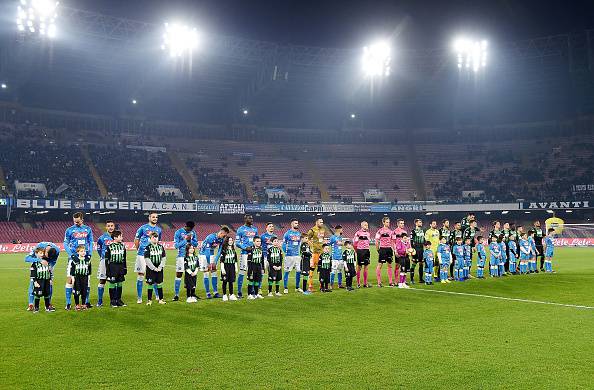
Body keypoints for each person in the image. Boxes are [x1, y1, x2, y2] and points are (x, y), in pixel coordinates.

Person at [64, 212, 94, 309]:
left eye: (78, 221)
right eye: (74, 221)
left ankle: (86, 302)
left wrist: (89, 255)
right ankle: (68, 303)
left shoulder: (88, 229)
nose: (76, 223)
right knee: (70, 280)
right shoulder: (69, 230)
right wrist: (72, 256)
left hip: (84, 257)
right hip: (73, 258)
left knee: (87, 280)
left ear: (82, 220)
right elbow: (65, 244)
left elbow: (90, 242)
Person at [133, 212, 162, 304]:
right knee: (141, 274)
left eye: (156, 217)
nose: (155, 218)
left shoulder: (159, 229)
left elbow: (158, 241)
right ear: (149, 218)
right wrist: (139, 250)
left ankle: (157, 295)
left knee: (154, 274)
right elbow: (136, 240)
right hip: (142, 254)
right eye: (153, 217)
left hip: (153, 255)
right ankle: (139, 297)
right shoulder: (142, 228)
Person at [25, 242, 59, 311]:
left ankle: (48, 304)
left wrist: (49, 268)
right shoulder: (39, 246)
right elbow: (27, 258)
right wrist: (40, 260)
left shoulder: (57, 250)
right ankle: (31, 304)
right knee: (33, 283)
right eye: (46, 255)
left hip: (47, 266)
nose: (47, 257)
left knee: (49, 284)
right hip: (37, 265)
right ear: (45, 251)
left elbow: (53, 262)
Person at [199, 226, 229, 299]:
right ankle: (208, 293)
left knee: (214, 272)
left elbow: (219, 251)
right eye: (224, 235)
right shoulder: (211, 237)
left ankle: (215, 292)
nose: (225, 237)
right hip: (203, 255)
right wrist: (209, 263)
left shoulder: (221, 239)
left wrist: (215, 262)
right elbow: (207, 251)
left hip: (211, 254)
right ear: (221, 232)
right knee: (206, 273)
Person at [173, 221, 198, 302]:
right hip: (181, 256)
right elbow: (176, 245)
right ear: (186, 226)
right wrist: (185, 240)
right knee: (179, 274)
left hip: (191, 257)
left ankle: (192, 294)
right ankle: (176, 295)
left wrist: (190, 240)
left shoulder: (193, 232)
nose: (190, 230)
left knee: (192, 275)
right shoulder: (178, 232)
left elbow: (196, 244)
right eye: (189, 229)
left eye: (191, 229)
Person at [235, 215, 258, 298]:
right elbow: (237, 242)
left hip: (254, 254)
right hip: (245, 254)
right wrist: (245, 247)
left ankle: (252, 291)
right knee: (242, 272)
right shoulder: (240, 229)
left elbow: (257, 240)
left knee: (253, 272)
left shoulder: (255, 229)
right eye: (250, 218)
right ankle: (239, 292)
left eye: (252, 218)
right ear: (245, 219)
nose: (252, 219)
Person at [104, 230, 127, 307]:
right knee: (112, 283)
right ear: (115, 237)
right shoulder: (109, 247)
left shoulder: (122, 246)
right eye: (120, 236)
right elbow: (107, 260)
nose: (122, 237)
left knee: (120, 283)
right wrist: (108, 270)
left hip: (120, 266)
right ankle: (112, 301)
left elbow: (124, 258)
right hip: (112, 267)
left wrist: (125, 268)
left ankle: (118, 300)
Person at [96, 220, 115, 307]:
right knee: (102, 280)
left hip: (114, 262)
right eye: (109, 226)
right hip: (104, 261)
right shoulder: (102, 237)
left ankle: (114, 300)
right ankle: (100, 301)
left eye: (112, 226)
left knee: (114, 280)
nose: (110, 227)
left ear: (114, 227)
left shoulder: (117, 236)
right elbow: (99, 248)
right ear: (106, 227)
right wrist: (103, 257)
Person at [144, 232, 167, 305]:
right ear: (150, 239)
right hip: (151, 269)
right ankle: (149, 300)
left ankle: (161, 299)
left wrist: (160, 267)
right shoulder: (147, 248)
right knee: (150, 284)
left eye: (156, 237)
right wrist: (153, 268)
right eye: (153, 237)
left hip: (159, 269)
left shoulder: (161, 247)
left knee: (159, 284)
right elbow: (147, 259)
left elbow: (163, 257)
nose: (155, 239)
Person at [68, 246, 92, 311]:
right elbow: (72, 270)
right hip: (77, 278)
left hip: (85, 277)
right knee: (77, 291)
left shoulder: (88, 260)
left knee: (84, 291)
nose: (83, 252)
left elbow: (89, 269)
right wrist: (73, 278)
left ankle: (83, 304)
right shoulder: (75, 260)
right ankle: (77, 304)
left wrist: (89, 276)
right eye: (81, 251)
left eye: (84, 251)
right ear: (78, 252)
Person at [29, 248, 53, 313]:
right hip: (39, 281)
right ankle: (36, 308)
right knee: (37, 294)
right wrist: (35, 282)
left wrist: (50, 279)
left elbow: (49, 271)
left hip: (47, 281)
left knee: (47, 294)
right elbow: (33, 274)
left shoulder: (47, 262)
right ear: (36, 254)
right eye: (40, 253)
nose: (42, 254)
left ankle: (47, 307)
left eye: (43, 253)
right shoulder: (34, 263)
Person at [306, 218, 327, 292]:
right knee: (312, 268)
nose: (322, 223)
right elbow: (307, 239)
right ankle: (310, 285)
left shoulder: (323, 230)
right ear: (316, 222)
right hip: (315, 253)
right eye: (320, 222)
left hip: (322, 252)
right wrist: (312, 246)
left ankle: (322, 285)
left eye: (322, 222)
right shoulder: (311, 230)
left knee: (321, 269)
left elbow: (322, 239)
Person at [282, 219, 302, 293]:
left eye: (297, 223)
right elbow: (284, 244)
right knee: (287, 271)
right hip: (289, 256)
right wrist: (286, 251)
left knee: (298, 271)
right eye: (295, 223)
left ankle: (297, 287)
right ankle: (285, 288)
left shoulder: (299, 234)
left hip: (297, 256)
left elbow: (299, 244)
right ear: (292, 224)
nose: (297, 224)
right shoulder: (287, 233)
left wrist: (299, 253)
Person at [375, 217, 394, 287]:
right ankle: (379, 282)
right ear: (383, 223)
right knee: (380, 265)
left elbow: (392, 241)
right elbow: (376, 241)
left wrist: (393, 249)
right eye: (387, 222)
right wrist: (378, 250)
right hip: (382, 249)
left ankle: (390, 281)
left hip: (389, 249)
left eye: (389, 222)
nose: (388, 223)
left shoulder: (391, 232)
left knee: (390, 265)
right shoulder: (379, 231)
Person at [353, 221, 372, 288]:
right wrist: (357, 250)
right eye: (365, 225)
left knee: (366, 267)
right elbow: (355, 243)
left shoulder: (368, 234)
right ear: (361, 226)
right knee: (359, 267)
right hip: (360, 251)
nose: (366, 226)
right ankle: (358, 283)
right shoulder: (358, 233)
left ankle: (365, 283)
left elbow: (368, 243)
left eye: (367, 225)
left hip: (367, 251)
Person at [220, 237, 238, 302]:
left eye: (231, 240)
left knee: (231, 281)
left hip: (232, 267)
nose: (231, 241)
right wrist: (222, 269)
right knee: (225, 281)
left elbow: (235, 260)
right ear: (226, 241)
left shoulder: (233, 250)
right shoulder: (224, 250)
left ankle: (231, 294)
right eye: (229, 240)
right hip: (226, 266)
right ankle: (224, 295)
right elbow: (221, 261)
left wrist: (236, 268)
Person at [328, 225, 345, 289]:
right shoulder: (333, 237)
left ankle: (339, 284)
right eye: (341, 229)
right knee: (333, 271)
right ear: (338, 229)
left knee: (340, 271)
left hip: (340, 257)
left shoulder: (340, 237)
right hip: (334, 257)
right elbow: (328, 244)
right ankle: (331, 285)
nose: (342, 230)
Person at [410, 219, 425, 284]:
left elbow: (424, 239)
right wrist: (412, 250)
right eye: (419, 222)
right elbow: (411, 241)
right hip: (416, 248)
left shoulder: (422, 231)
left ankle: (421, 279)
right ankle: (412, 279)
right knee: (414, 263)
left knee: (421, 263)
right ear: (416, 223)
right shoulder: (413, 231)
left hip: (421, 248)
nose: (421, 223)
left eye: (421, 222)